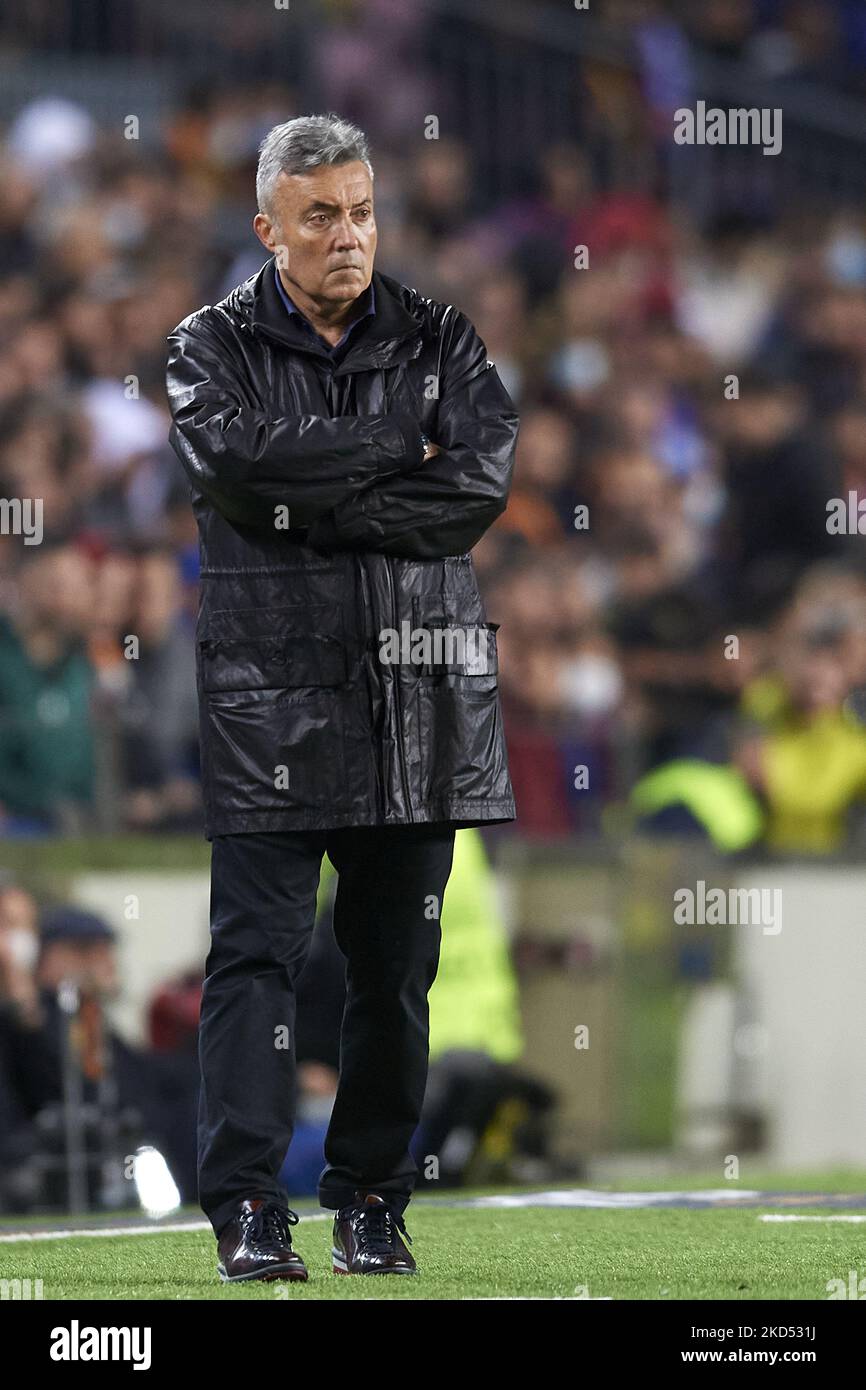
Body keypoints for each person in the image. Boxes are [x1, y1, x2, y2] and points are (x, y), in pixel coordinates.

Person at [165, 113, 519, 1281]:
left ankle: (372, 1197)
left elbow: (471, 489)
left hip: (417, 694)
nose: (347, 235)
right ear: (267, 227)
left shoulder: (444, 337)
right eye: (320, 215)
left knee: (393, 970)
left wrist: (308, 481)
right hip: (268, 699)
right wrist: (385, 452)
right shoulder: (206, 348)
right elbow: (232, 467)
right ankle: (248, 1208)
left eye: (361, 211)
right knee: (254, 962)